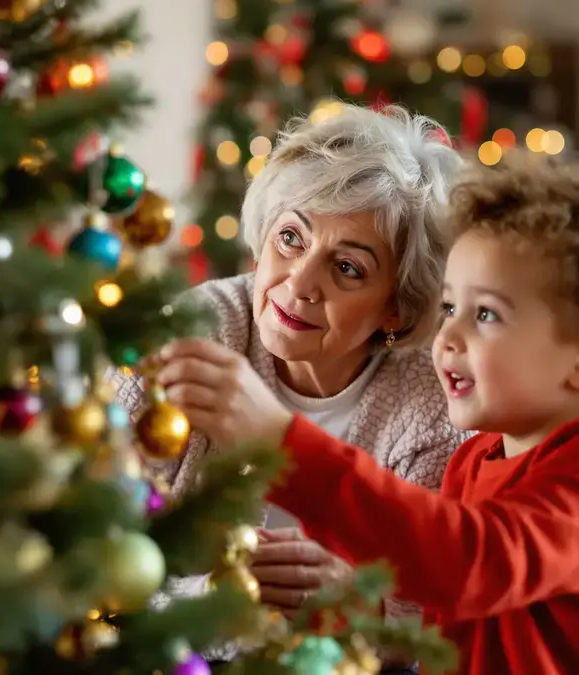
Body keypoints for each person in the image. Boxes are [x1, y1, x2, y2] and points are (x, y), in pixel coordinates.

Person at [152, 154, 579, 674]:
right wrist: (338, 607)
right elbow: (441, 636)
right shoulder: (473, 462)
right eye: (449, 307)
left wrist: (281, 441)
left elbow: (470, 563)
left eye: (485, 313)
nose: (447, 337)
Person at [115, 103, 466, 625]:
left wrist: (357, 605)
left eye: (347, 268)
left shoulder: (434, 403)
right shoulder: (186, 337)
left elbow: (435, 605)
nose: (300, 284)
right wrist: (213, 600)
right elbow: (97, 548)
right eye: (290, 238)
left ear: (398, 304)